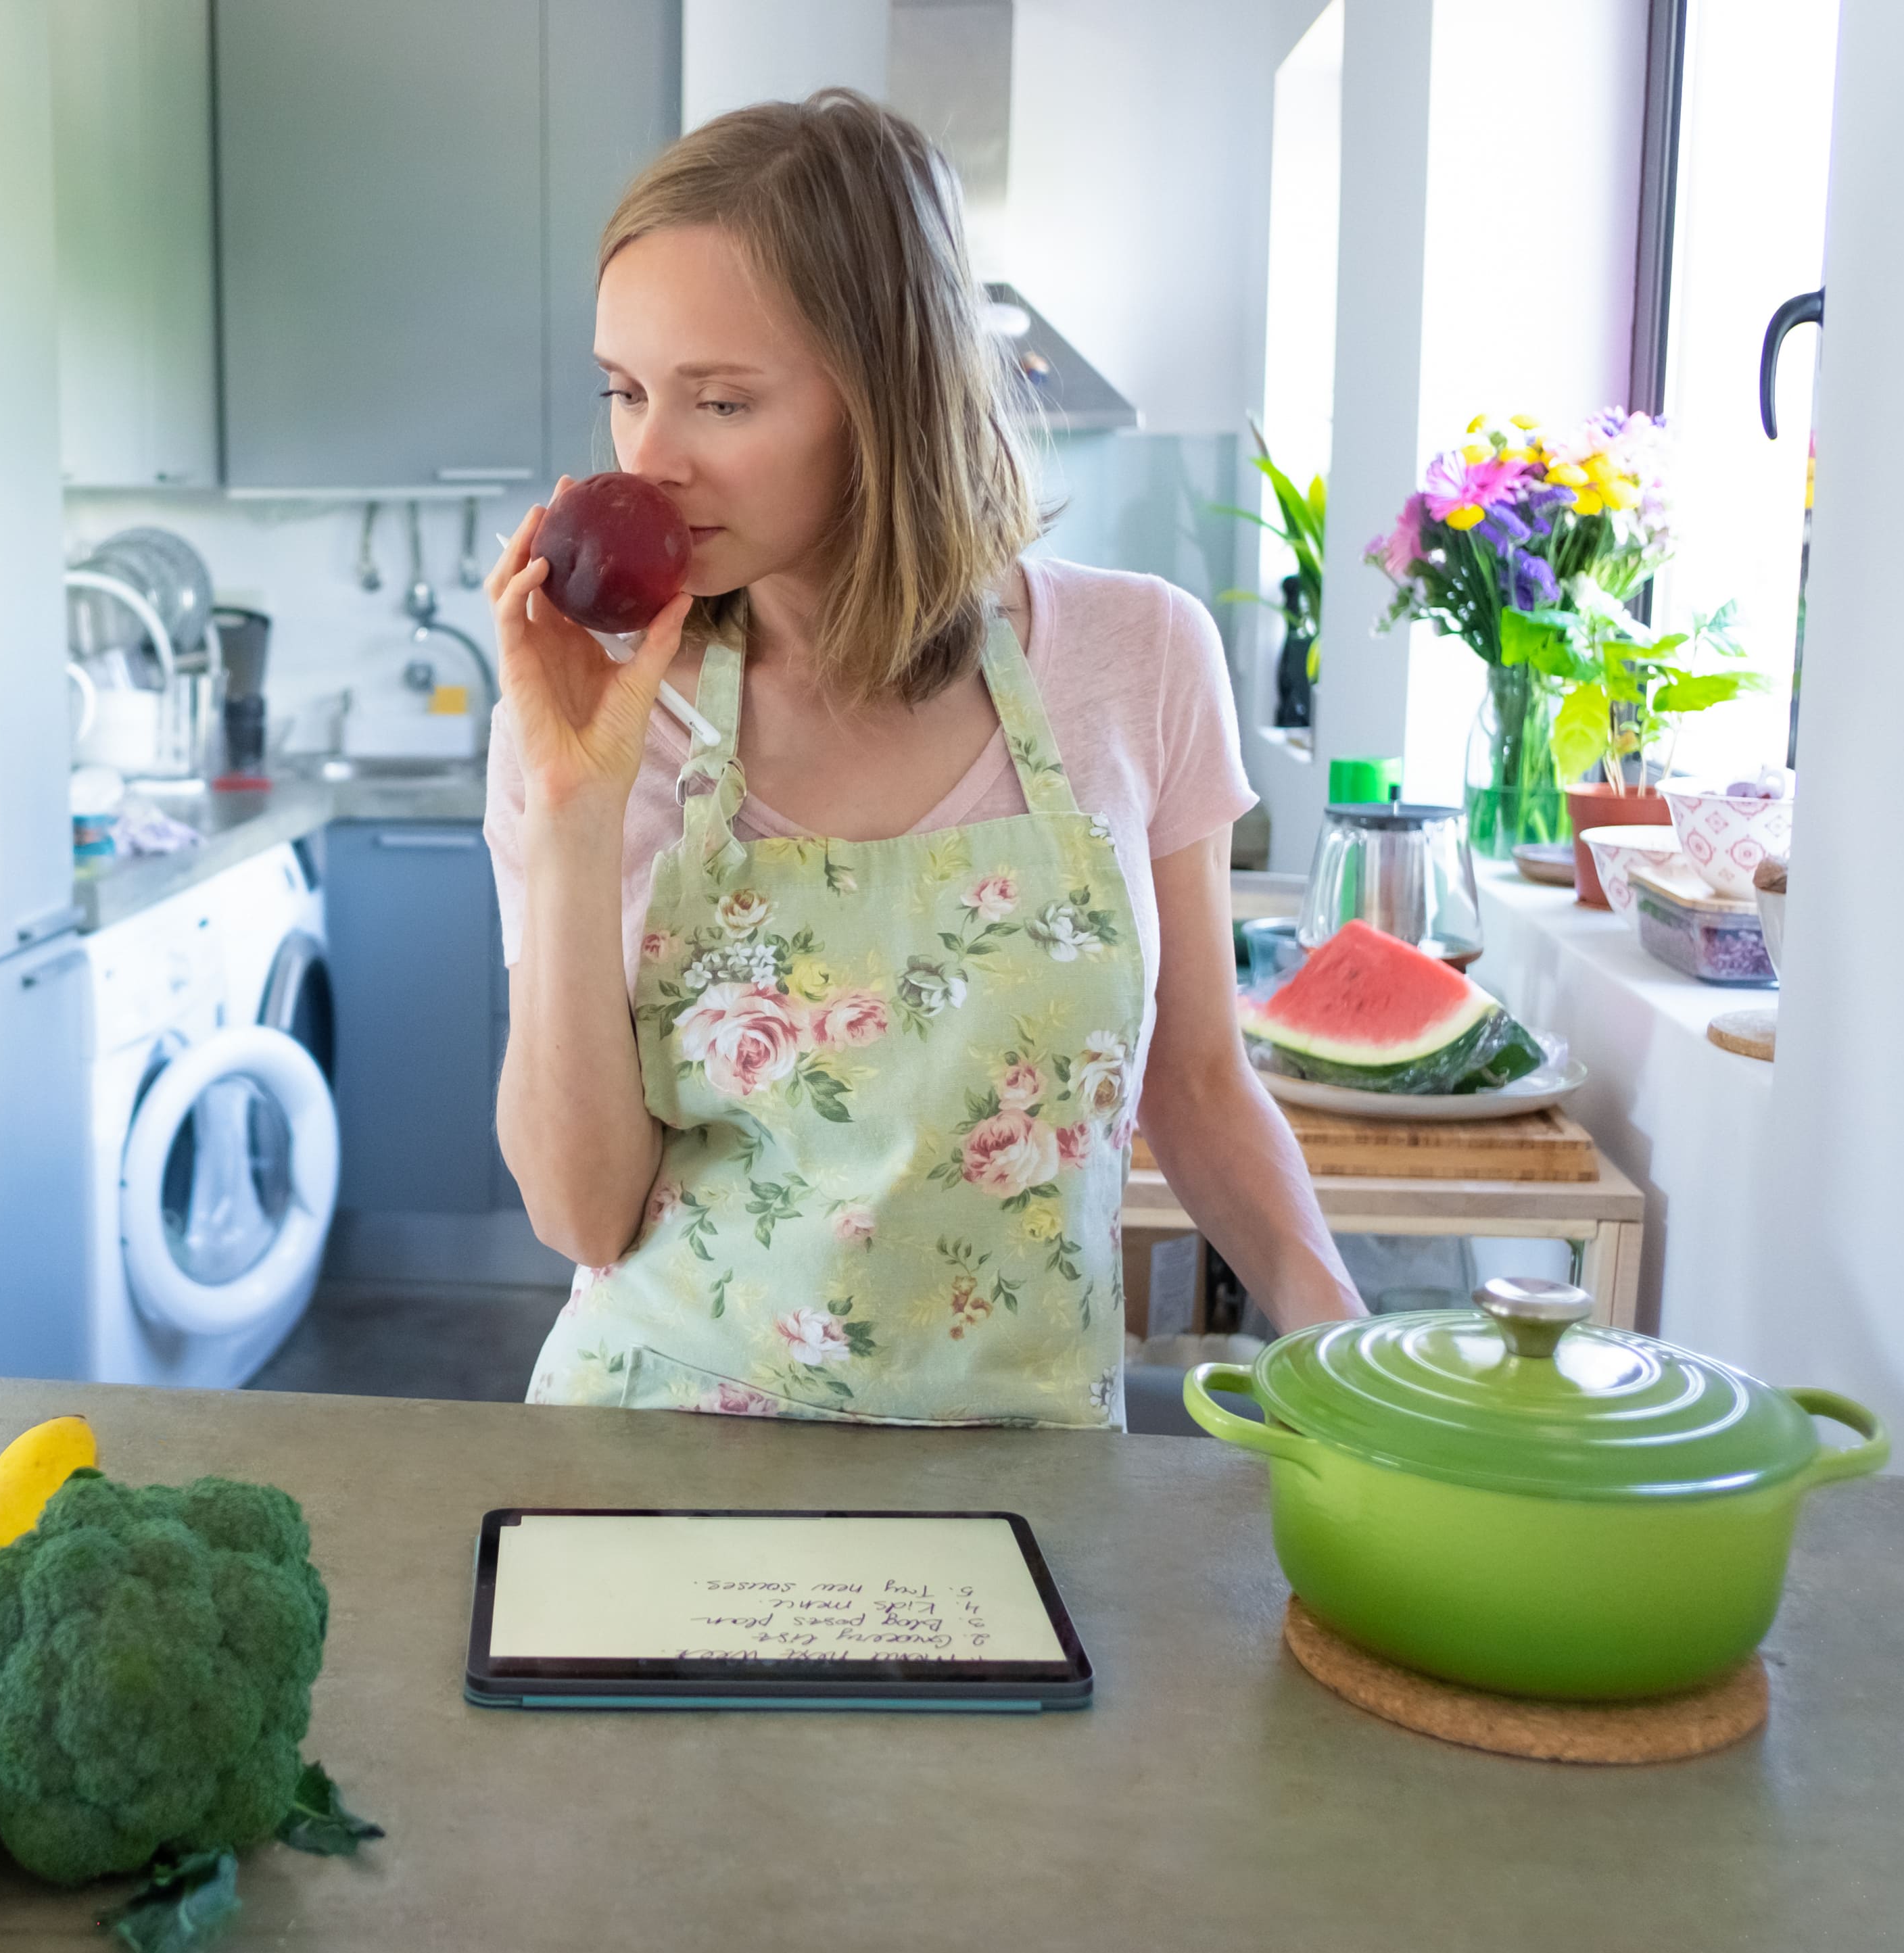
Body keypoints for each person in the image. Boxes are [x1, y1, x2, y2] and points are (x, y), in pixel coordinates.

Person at [482, 91, 1362, 1428]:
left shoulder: (1137, 659)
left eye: (719, 399)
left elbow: (1191, 1086)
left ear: (887, 395)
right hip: (657, 1455)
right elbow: (579, 1215)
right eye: (624, 392)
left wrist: (1350, 1353)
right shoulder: (593, 715)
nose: (647, 461)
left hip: (1028, 1469)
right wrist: (569, 809)